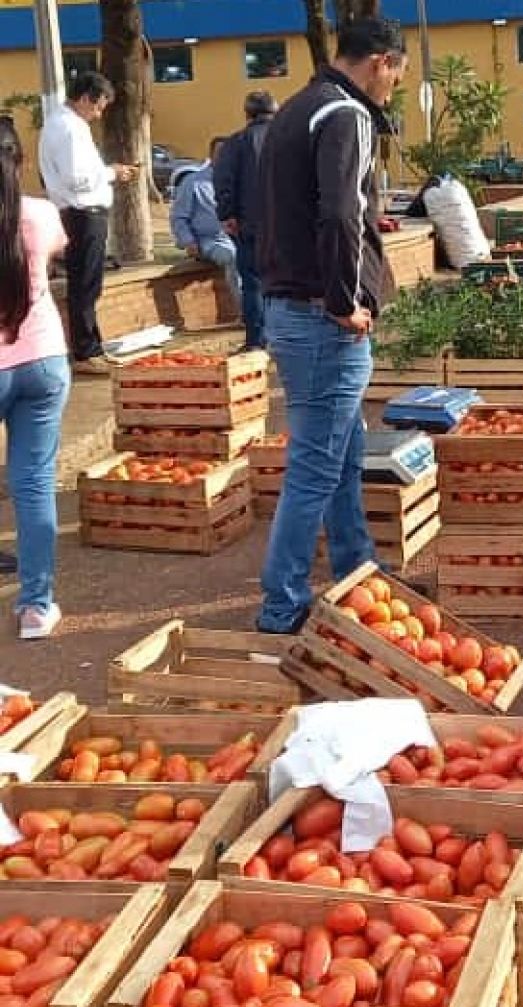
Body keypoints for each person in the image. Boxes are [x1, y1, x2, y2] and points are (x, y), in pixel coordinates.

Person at [255, 17, 406, 634]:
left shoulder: (297, 107)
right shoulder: (347, 114)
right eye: (397, 71)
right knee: (317, 465)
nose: (395, 84)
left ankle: (357, 567)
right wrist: (345, 299)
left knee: (340, 455)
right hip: (323, 318)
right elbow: (341, 214)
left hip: (291, 309)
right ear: (379, 62)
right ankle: (282, 603)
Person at [0, 117, 71, 640]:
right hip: (44, 361)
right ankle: (36, 608)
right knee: (33, 485)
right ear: (19, 162)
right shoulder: (41, 214)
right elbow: (55, 252)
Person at [38, 73, 137, 375]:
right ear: (84, 99)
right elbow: (77, 179)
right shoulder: (67, 128)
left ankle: (92, 345)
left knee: (89, 284)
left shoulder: (67, 124)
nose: (98, 114)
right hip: (82, 212)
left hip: (83, 212)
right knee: (84, 284)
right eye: (98, 107)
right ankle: (84, 351)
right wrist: (111, 172)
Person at [214, 90, 277, 352]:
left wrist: (227, 215)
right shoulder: (290, 140)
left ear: (247, 113)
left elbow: (223, 181)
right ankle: (284, 337)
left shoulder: (235, 142)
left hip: (249, 225)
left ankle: (256, 341)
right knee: (286, 283)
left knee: (252, 284)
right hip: (287, 225)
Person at [169, 137, 241, 312]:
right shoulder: (193, 182)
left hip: (238, 237)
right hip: (209, 240)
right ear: (211, 155)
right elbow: (178, 216)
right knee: (233, 256)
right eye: (220, 153)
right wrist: (188, 241)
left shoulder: (238, 181)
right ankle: (246, 314)